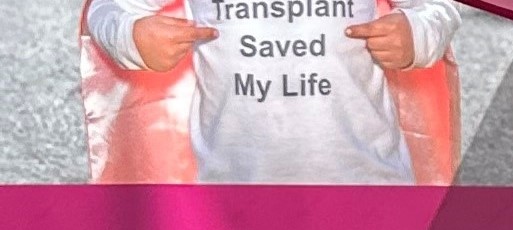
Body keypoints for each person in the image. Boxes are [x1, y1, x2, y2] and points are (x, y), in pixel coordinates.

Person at [86, 0, 457, 185]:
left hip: (368, 185)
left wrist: (415, 32)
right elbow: (107, 9)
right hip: (236, 192)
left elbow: (437, 7)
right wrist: (133, 35)